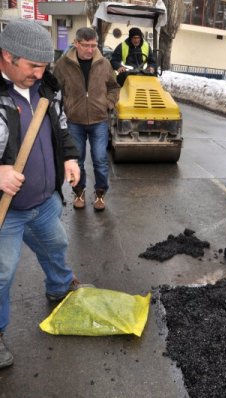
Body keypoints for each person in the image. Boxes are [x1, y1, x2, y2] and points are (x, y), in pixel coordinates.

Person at [0, 19, 93, 370]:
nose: (40, 73)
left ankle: (59, 287)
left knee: (57, 246)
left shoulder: (47, 87)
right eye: (32, 66)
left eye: (44, 66)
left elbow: (61, 126)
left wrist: (69, 157)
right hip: (5, 211)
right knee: (1, 274)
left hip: (43, 203)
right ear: (7, 56)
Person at [54, 27, 120, 211]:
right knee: (77, 160)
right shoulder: (63, 64)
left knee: (100, 159)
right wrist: (63, 109)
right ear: (76, 44)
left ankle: (100, 194)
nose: (90, 50)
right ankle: (79, 193)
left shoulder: (104, 64)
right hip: (74, 121)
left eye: (94, 45)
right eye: (86, 46)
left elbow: (114, 87)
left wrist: (108, 103)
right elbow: (54, 90)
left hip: (99, 119)